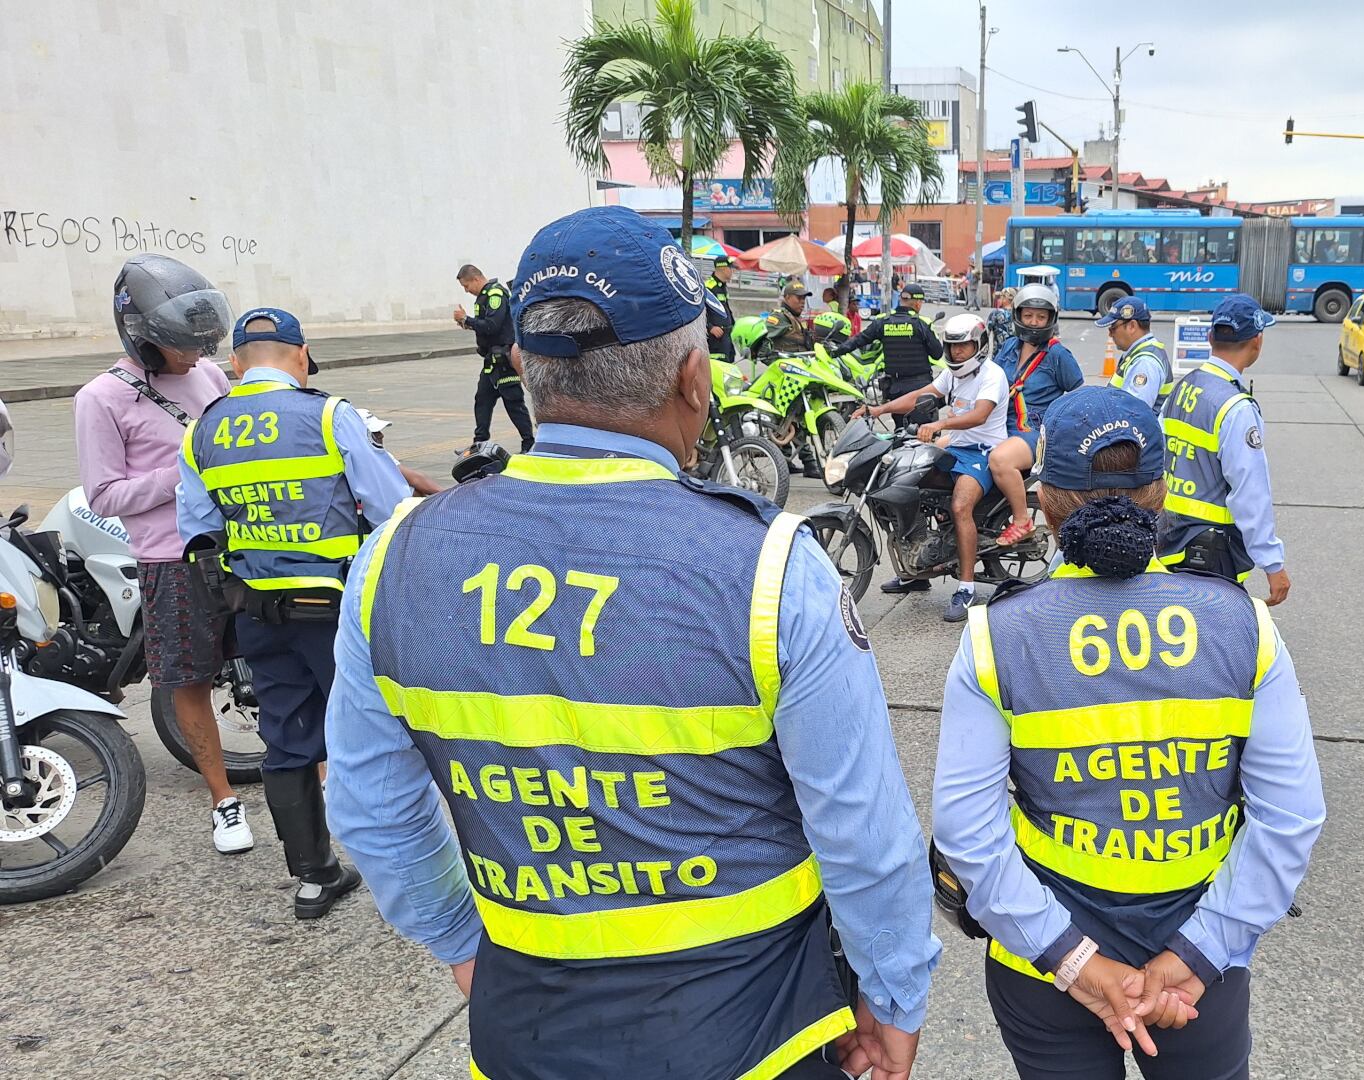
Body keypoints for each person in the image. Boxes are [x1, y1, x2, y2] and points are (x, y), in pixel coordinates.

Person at [326, 207, 938, 1080]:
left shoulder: (394, 558)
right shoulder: (769, 568)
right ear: (695, 377)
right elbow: (862, 836)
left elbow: (375, 813)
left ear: (518, 367)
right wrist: (892, 999)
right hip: (761, 1036)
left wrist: (467, 950)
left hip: (524, 1035)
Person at [932, 385, 1325, 1080]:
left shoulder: (999, 636)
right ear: (1163, 491)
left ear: (1045, 497)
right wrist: (1196, 957)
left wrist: (1076, 962)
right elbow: (1290, 818)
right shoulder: (1243, 625)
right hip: (1200, 969)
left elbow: (967, 832)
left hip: (1045, 962)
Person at [176, 307, 410, 919]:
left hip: (258, 613)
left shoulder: (202, 431)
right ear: (302, 357)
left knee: (286, 739)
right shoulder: (331, 416)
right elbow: (392, 508)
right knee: (374, 736)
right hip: (337, 611)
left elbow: (198, 534)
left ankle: (313, 877)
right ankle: (403, 870)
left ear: (235, 365)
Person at [74, 253, 253, 854]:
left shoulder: (208, 374)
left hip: (242, 543)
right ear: (144, 340)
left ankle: (313, 779)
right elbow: (104, 494)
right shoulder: (100, 399)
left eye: (202, 345)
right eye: (182, 348)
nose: (196, 358)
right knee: (189, 679)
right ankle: (223, 801)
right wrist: (184, 474)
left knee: (272, 664)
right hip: (171, 559)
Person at [852, 313, 1006, 620]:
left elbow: (979, 416)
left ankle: (966, 587)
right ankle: (917, 572)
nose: (957, 353)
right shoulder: (952, 375)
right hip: (954, 445)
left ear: (980, 345)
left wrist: (939, 424)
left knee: (961, 507)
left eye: (964, 346)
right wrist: (878, 408)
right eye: (952, 347)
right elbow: (919, 396)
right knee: (908, 482)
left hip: (983, 452)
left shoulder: (992, 375)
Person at [1158, 295, 1291, 606]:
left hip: (1168, 537)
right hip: (1212, 552)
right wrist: (1273, 564)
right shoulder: (1235, 407)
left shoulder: (1183, 387)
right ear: (1257, 341)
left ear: (1209, 337)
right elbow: (1250, 491)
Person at [985, 285, 1084, 550]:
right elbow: (990, 381)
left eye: (1041, 317)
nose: (1034, 322)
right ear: (1018, 315)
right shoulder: (1008, 347)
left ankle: (1021, 520)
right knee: (943, 446)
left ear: (1051, 319)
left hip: (1031, 431)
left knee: (1000, 460)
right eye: (1028, 315)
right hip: (998, 423)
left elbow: (1077, 395)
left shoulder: (1058, 355)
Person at [455, 265, 535, 453]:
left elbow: (492, 325)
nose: (467, 291)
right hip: (491, 362)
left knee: (514, 403)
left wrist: (467, 319)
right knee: (482, 401)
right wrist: (467, 324)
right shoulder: (484, 296)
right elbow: (486, 327)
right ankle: (478, 444)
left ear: (475, 279)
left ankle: (529, 443)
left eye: (466, 286)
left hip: (503, 362)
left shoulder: (495, 295)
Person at [830, 281, 946, 401]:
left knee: (900, 419)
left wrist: (835, 352)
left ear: (901, 300)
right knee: (925, 419)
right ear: (917, 303)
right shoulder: (922, 323)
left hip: (895, 389)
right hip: (920, 388)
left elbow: (858, 340)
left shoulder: (882, 321)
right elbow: (937, 354)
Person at [1100, 297, 1171, 408]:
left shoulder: (1145, 363)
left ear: (1132, 326)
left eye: (1113, 328)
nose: (1110, 334)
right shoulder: (1138, 354)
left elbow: (1134, 414)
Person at [761, 279, 815, 354]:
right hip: (789, 364)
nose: (803, 301)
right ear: (787, 297)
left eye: (804, 298)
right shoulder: (779, 317)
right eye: (799, 298)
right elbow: (763, 347)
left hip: (804, 362)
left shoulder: (798, 318)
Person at [704, 255, 735, 353]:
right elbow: (699, 311)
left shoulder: (723, 287)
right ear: (723, 268)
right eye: (730, 268)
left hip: (726, 336)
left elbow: (726, 309)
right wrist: (710, 327)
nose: (732, 271)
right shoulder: (709, 287)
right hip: (715, 340)